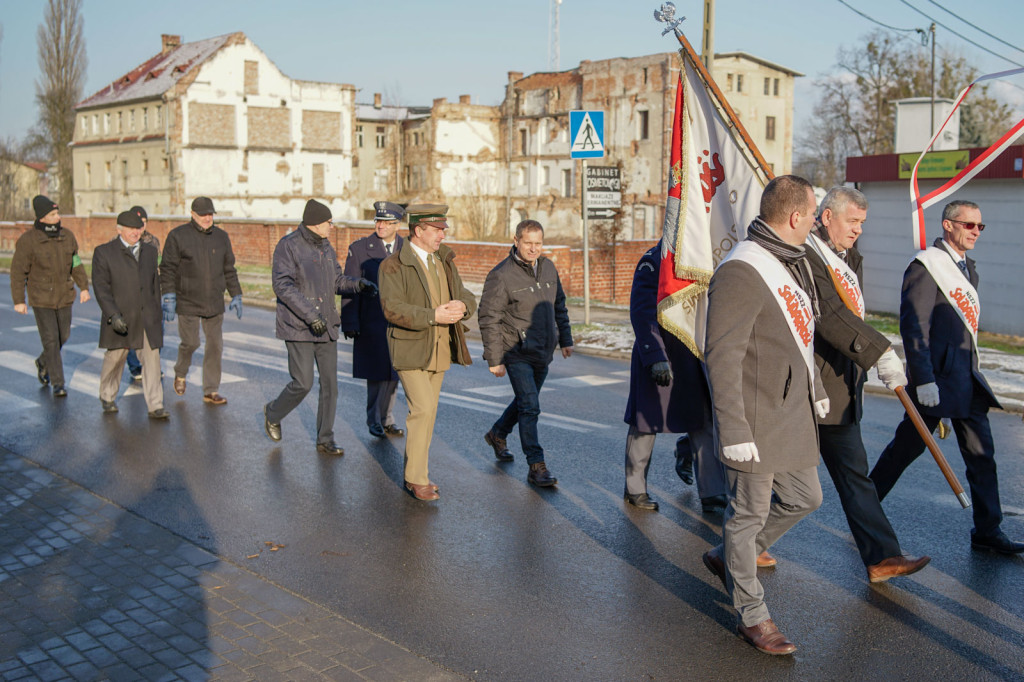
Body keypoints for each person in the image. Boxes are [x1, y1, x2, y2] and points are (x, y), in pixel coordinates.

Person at [701, 175, 826, 655]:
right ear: (795, 218)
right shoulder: (742, 268)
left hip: (789, 411)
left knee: (805, 497)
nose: (815, 221)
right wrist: (732, 427)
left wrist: (813, 388)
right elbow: (722, 354)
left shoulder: (788, 261)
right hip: (752, 419)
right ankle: (753, 615)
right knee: (748, 515)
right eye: (813, 213)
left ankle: (730, 559)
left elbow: (798, 336)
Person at [870, 200, 1024, 555]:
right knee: (903, 451)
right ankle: (864, 510)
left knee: (982, 455)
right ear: (948, 225)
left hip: (967, 380)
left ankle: (988, 529)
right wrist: (922, 379)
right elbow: (914, 326)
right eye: (969, 225)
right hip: (934, 384)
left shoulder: (969, 268)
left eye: (979, 227)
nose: (975, 232)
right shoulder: (926, 267)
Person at [804, 187, 930, 581]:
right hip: (808, 385)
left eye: (862, 223)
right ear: (826, 217)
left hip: (839, 387)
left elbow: (851, 313)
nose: (858, 230)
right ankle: (734, 550)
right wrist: (878, 351)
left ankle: (882, 557)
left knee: (855, 476)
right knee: (783, 484)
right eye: (852, 221)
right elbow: (829, 314)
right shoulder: (805, 255)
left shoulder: (848, 258)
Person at [378, 203, 476, 501]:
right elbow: (392, 309)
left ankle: (416, 473)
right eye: (437, 230)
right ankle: (416, 479)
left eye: (443, 230)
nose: (442, 236)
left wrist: (463, 306)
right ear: (418, 230)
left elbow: (465, 294)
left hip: (440, 349)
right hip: (410, 349)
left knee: (429, 414)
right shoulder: (393, 265)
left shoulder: (444, 261)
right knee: (421, 409)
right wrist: (434, 315)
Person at [621, 243, 729, 512]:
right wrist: (655, 355)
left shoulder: (706, 257)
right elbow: (642, 311)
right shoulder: (653, 260)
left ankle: (712, 492)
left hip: (694, 352)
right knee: (646, 422)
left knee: (702, 422)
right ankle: (635, 489)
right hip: (662, 350)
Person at [263, 199, 375, 455]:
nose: (332, 227)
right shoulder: (288, 246)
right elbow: (283, 285)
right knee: (302, 383)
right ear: (315, 223)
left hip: (325, 326)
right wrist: (310, 315)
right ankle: (273, 412)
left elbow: (336, 280)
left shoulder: (325, 246)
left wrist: (358, 285)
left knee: (330, 387)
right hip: (298, 326)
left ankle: (325, 438)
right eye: (329, 222)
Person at [479, 220, 573, 488]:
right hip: (515, 350)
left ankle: (498, 433)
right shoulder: (502, 275)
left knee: (525, 402)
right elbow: (488, 318)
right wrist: (495, 359)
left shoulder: (548, 267)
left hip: (543, 350)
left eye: (538, 243)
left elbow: (560, 306)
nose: (534, 248)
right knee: (530, 406)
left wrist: (565, 339)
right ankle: (536, 465)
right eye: (528, 242)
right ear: (516, 240)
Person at [160, 197, 243, 405]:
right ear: (193, 214)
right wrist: (168, 295)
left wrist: (236, 294)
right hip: (187, 300)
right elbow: (168, 268)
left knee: (215, 345)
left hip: (214, 300)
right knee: (191, 342)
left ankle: (211, 390)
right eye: (203, 215)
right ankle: (181, 372)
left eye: (210, 214)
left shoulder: (221, 237)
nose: (208, 218)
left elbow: (229, 268)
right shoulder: (178, 236)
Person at [10, 195, 91, 398]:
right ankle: (58, 383)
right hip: (41, 298)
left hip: (64, 296)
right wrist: (19, 300)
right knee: (51, 341)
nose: (58, 217)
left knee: (63, 336)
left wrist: (84, 287)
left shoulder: (68, 236)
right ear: (42, 217)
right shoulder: (28, 241)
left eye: (58, 213)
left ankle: (43, 362)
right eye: (53, 214)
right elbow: (18, 272)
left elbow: (76, 263)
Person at [91, 210, 168, 419]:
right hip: (121, 318)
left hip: (146, 317)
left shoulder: (150, 252)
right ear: (119, 230)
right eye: (131, 229)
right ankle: (107, 396)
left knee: (152, 360)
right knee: (115, 359)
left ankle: (155, 405)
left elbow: (154, 285)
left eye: (139, 228)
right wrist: (113, 315)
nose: (136, 232)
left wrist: (158, 311)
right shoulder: (104, 252)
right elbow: (101, 288)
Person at [342, 201, 406, 439]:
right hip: (372, 319)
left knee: (394, 373)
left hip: (400, 320)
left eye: (386, 222)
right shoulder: (360, 248)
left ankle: (387, 418)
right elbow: (350, 285)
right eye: (378, 221)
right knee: (376, 374)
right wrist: (350, 321)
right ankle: (374, 419)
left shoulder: (407, 247)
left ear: (397, 225)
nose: (380, 226)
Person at [125, 205, 159, 382]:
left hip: (148, 294)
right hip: (129, 294)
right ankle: (135, 365)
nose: (140, 227)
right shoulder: (120, 240)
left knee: (152, 331)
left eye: (143, 223)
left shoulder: (152, 241)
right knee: (132, 333)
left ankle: (152, 366)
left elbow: (156, 267)